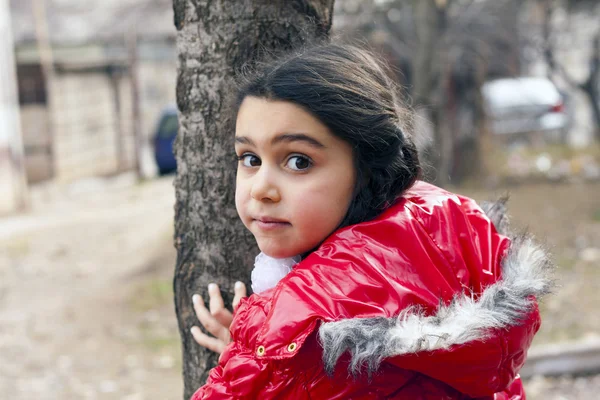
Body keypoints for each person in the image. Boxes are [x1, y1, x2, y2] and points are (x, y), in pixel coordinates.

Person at [189, 43, 553, 399]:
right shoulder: (450, 243)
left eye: (298, 161)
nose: (261, 190)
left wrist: (258, 361)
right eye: (249, 158)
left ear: (367, 169)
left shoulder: (309, 321)